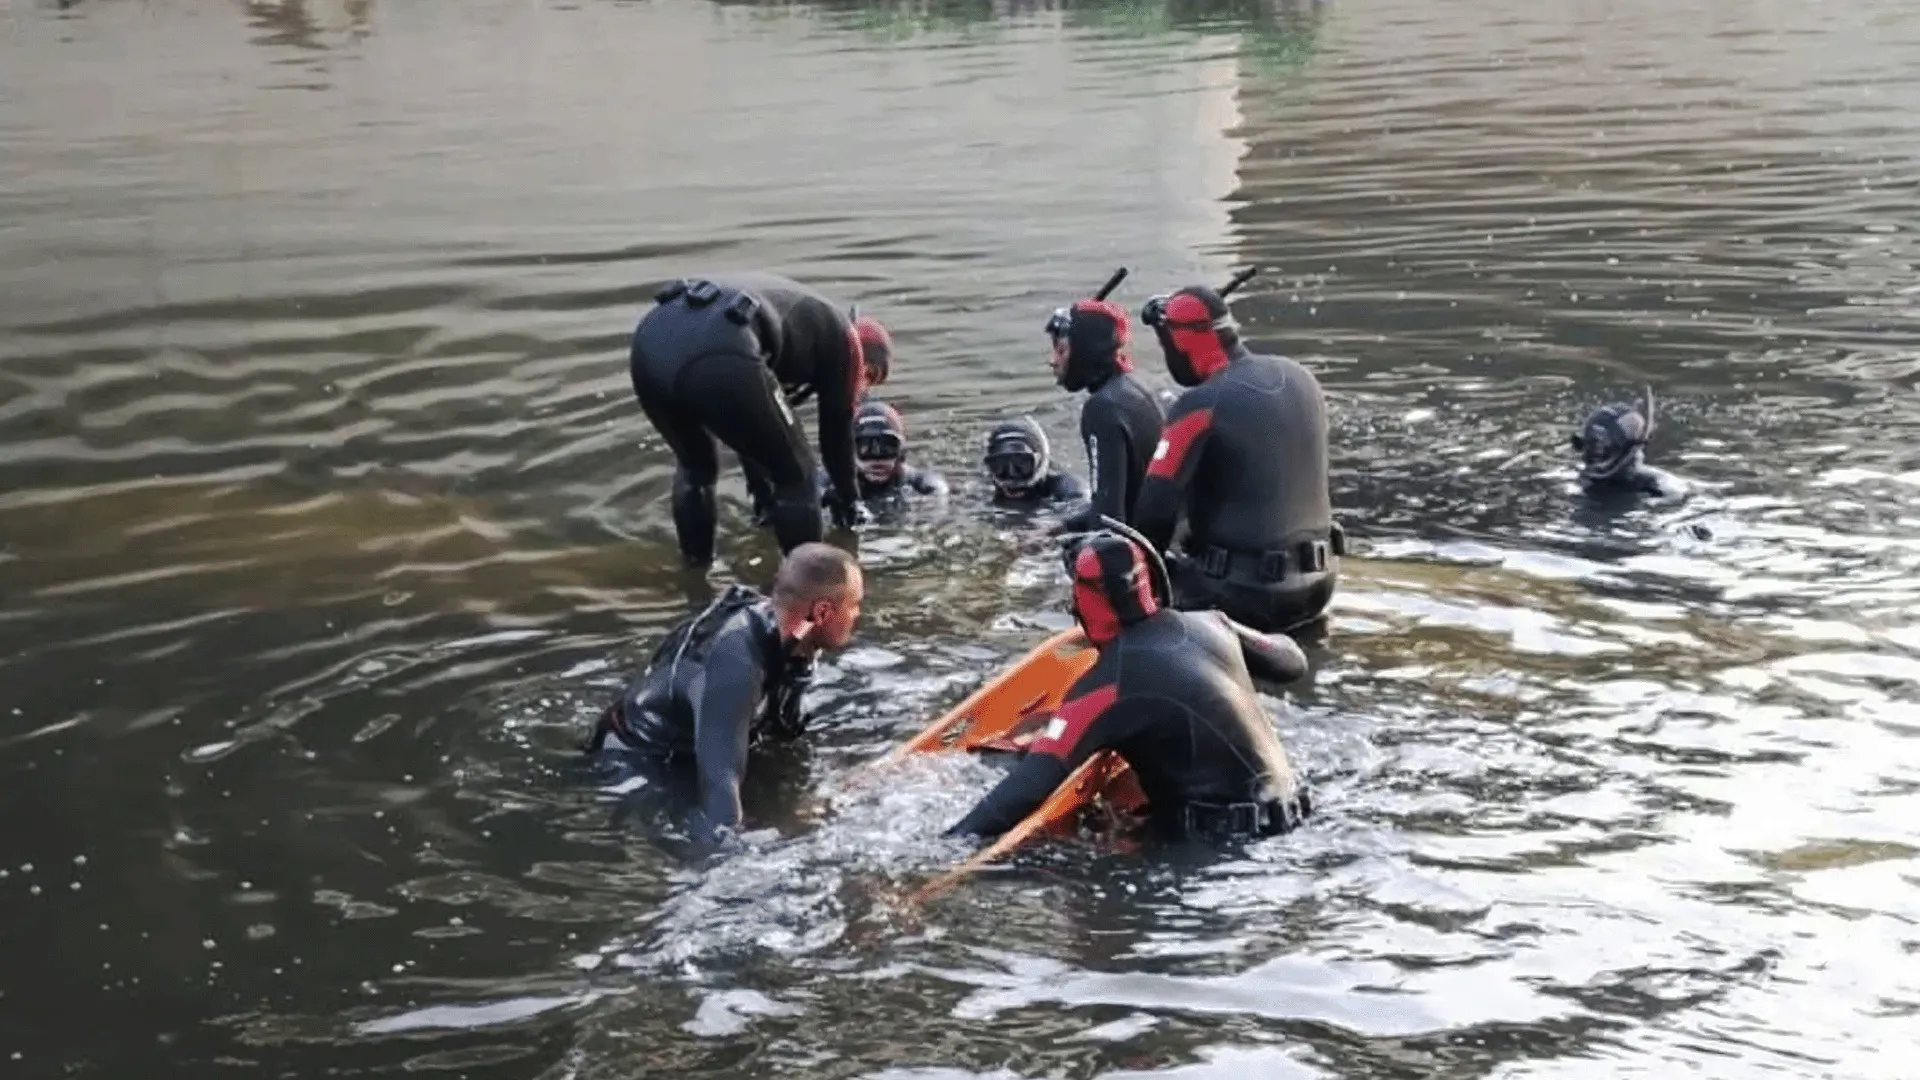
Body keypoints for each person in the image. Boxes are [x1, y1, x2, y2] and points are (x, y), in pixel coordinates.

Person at [945, 523, 1313, 844]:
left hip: (1215, 848)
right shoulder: (1213, 623)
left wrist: (950, 845)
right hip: (1296, 813)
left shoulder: (1106, 688)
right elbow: (1292, 662)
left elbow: (1028, 788)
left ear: (1084, 601)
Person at [584, 542, 865, 846]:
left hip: (705, 737)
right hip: (641, 758)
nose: (858, 614)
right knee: (725, 836)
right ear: (822, 612)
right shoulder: (735, 663)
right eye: (854, 605)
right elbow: (720, 806)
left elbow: (782, 727)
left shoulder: (795, 632)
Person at [628, 272, 889, 566]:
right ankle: (808, 589)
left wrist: (765, 497)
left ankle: (694, 577)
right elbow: (836, 433)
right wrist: (849, 502)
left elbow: (753, 426)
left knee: (696, 467)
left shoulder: (804, 329)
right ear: (864, 357)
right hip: (725, 347)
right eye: (870, 376)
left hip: (651, 344)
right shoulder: (846, 341)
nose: (863, 389)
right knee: (799, 473)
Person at [1132, 284, 1344, 635]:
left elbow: (1154, 510)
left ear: (1181, 342)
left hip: (1238, 597)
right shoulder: (1300, 377)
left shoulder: (1200, 403)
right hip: (1319, 586)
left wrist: (1135, 584)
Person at [1044, 298, 1164, 528]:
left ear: (1085, 351)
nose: (1052, 361)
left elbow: (1108, 520)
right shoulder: (1147, 384)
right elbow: (1129, 497)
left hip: (1151, 544)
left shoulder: (1103, 408)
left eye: (1061, 350)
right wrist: (1060, 528)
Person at [819, 399, 948, 502]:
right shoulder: (828, 481)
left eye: (887, 447)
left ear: (902, 452)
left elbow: (939, 494)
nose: (876, 460)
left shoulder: (921, 484)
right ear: (849, 452)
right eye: (865, 448)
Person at [1571, 390, 1686, 500]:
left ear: (1628, 450)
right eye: (1588, 446)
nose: (1589, 455)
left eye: (1599, 449)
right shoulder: (1579, 481)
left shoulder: (1662, 488)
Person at [983, 416, 1087, 506]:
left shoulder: (1066, 488)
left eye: (1021, 464)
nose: (1012, 474)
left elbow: (1081, 507)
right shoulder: (983, 490)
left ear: (1041, 461)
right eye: (1000, 466)